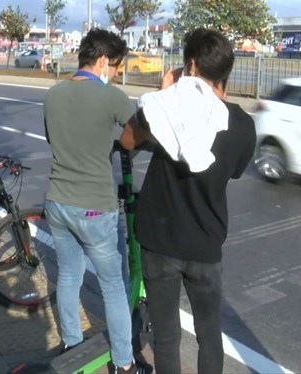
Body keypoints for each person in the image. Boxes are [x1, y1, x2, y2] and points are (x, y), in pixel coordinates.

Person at [119, 28, 257, 374]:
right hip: (205, 243)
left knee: (165, 337)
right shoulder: (242, 124)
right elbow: (235, 171)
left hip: (158, 240)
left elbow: (126, 140)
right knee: (210, 334)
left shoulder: (165, 109)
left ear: (190, 66)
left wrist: (164, 95)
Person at [42, 28, 149, 374]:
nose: (116, 73)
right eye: (116, 66)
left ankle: (71, 341)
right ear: (103, 61)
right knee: (113, 287)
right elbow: (132, 140)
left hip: (57, 200)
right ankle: (123, 364)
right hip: (93, 207)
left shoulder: (53, 95)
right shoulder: (111, 97)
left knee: (69, 274)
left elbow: (53, 139)